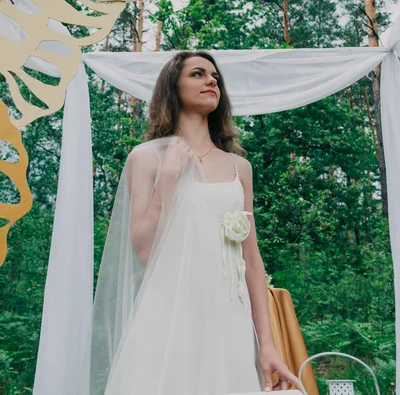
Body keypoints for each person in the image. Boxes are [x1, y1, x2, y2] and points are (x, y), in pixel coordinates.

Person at [81, 50, 306, 395]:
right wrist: (169, 178)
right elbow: (142, 250)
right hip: (170, 313)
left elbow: (252, 260)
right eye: (198, 74)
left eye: (215, 76)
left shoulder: (239, 168)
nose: (211, 80)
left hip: (229, 317)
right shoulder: (145, 159)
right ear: (173, 87)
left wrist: (267, 345)